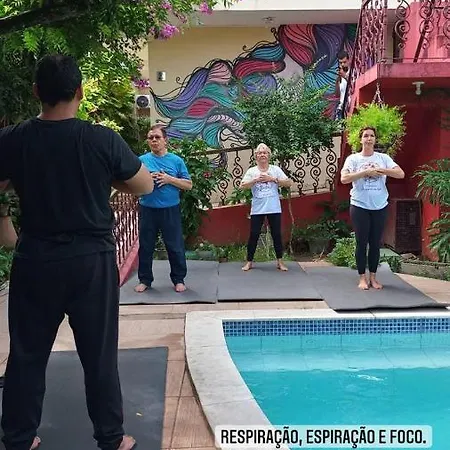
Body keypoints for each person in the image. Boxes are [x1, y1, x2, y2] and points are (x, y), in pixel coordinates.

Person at [0, 54, 154, 450]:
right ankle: (111, 438)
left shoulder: (12, 140)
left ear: (36, 91)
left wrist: (7, 212)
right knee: (98, 355)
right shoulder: (102, 140)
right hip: (91, 262)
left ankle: (18, 438)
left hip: (35, 260)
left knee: (26, 354)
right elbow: (144, 185)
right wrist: (106, 179)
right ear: (81, 92)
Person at [340, 126, 405, 290]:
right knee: (361, 243)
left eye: (371, 136)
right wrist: (365, 173)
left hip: (380, 206)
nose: (369, 138)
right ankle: (362, 278)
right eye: (365, 136)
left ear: (375, 140)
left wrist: (381, 170)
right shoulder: (353, 159)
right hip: (359, 206)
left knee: (375, 244)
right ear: (360, 139)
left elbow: (400, 174)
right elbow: (344, 178)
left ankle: (374, 278)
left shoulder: (383, 158)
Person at [134, 125, 192, 294]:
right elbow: (133, 183)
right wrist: (147, 178)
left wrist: (168, 179)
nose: (154, 140)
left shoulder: (176, 161)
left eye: (157, 137)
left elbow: (188, 185)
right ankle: (144, 280)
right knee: (146, 246)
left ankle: (179, 279)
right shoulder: (141, 161)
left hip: (170, 210)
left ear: (165, 140)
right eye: (150, 138)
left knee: (175, 246)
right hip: (147, 209)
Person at [240, 143, 292, 272]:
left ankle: (280, 261)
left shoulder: (275, 169)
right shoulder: (252, 171)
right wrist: (255, 180)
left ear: (269, 155)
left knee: (276, 234)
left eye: (265, 152)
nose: (262, 155)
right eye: (260, 153)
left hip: (273, 207)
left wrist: (273, 179)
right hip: (258, 208)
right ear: (256, 156)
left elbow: (288, 183)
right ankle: (249, 262)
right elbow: (242, 186)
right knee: (254, 234)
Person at [334, 50, 350, 120]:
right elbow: (337, 94)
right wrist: (337, 80)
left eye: (344, 62)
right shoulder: (341, 74)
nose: (342, 64)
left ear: (349, 60)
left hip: (349, 106)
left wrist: (345, 76)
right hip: (341, 107)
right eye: (340, 63)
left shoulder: (353, 72)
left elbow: (354, 85)